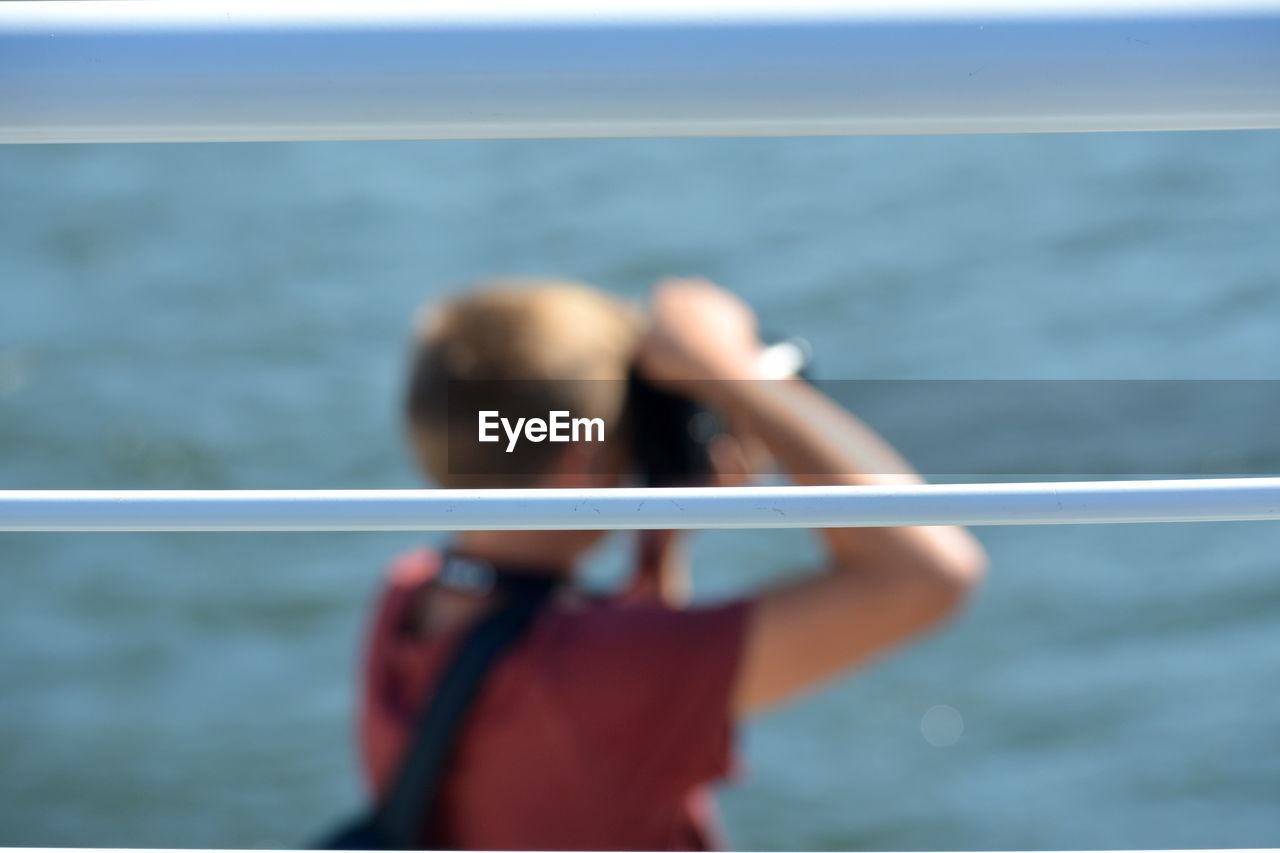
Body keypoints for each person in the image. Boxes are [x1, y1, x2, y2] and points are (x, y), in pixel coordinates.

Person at [358, 276, 987, 850]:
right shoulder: (599, 677)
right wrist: (732, 374)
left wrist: (665, 526)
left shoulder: (405, 599)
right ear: (581, 461)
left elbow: (609, 705)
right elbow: (930, 574)